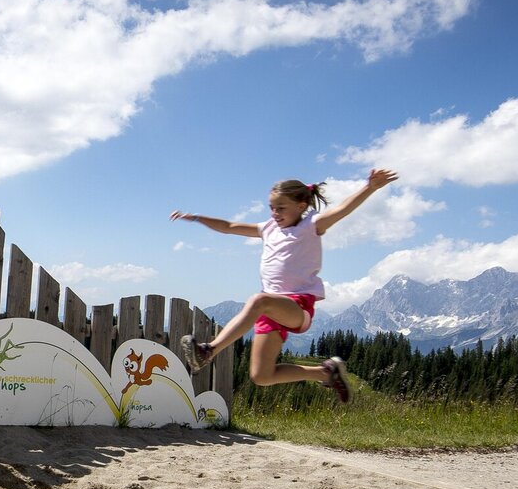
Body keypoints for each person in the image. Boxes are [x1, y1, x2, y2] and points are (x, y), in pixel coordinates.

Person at [170, 169, 398, 402]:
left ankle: (208, 351)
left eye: (281, 208)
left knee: (259, 300)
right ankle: (326, 373)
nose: (274, 213)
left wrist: (369, 187)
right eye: (271, 207)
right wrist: (196, 218)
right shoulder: (268, 228)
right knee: (261, 376)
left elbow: (342, 210)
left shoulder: (311, 225)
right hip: (270, 308)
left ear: (301, 206)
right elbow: (229, 226)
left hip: (297, 304)